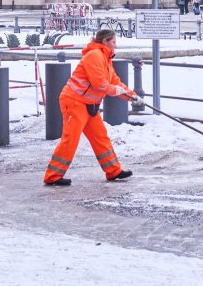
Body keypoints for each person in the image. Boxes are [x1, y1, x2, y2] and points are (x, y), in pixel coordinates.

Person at [44, 29, 141, 186]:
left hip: (89, 104)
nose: (116, 45)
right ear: (105, 42)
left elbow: (115, 81)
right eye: (114, 42)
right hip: (74, 101)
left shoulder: (105, 58)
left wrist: (132, 96)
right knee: (71, 139)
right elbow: (100, 83)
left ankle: (113, 171)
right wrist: (118, 91)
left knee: (100, 137)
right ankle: (53, 176)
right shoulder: (94, 56)